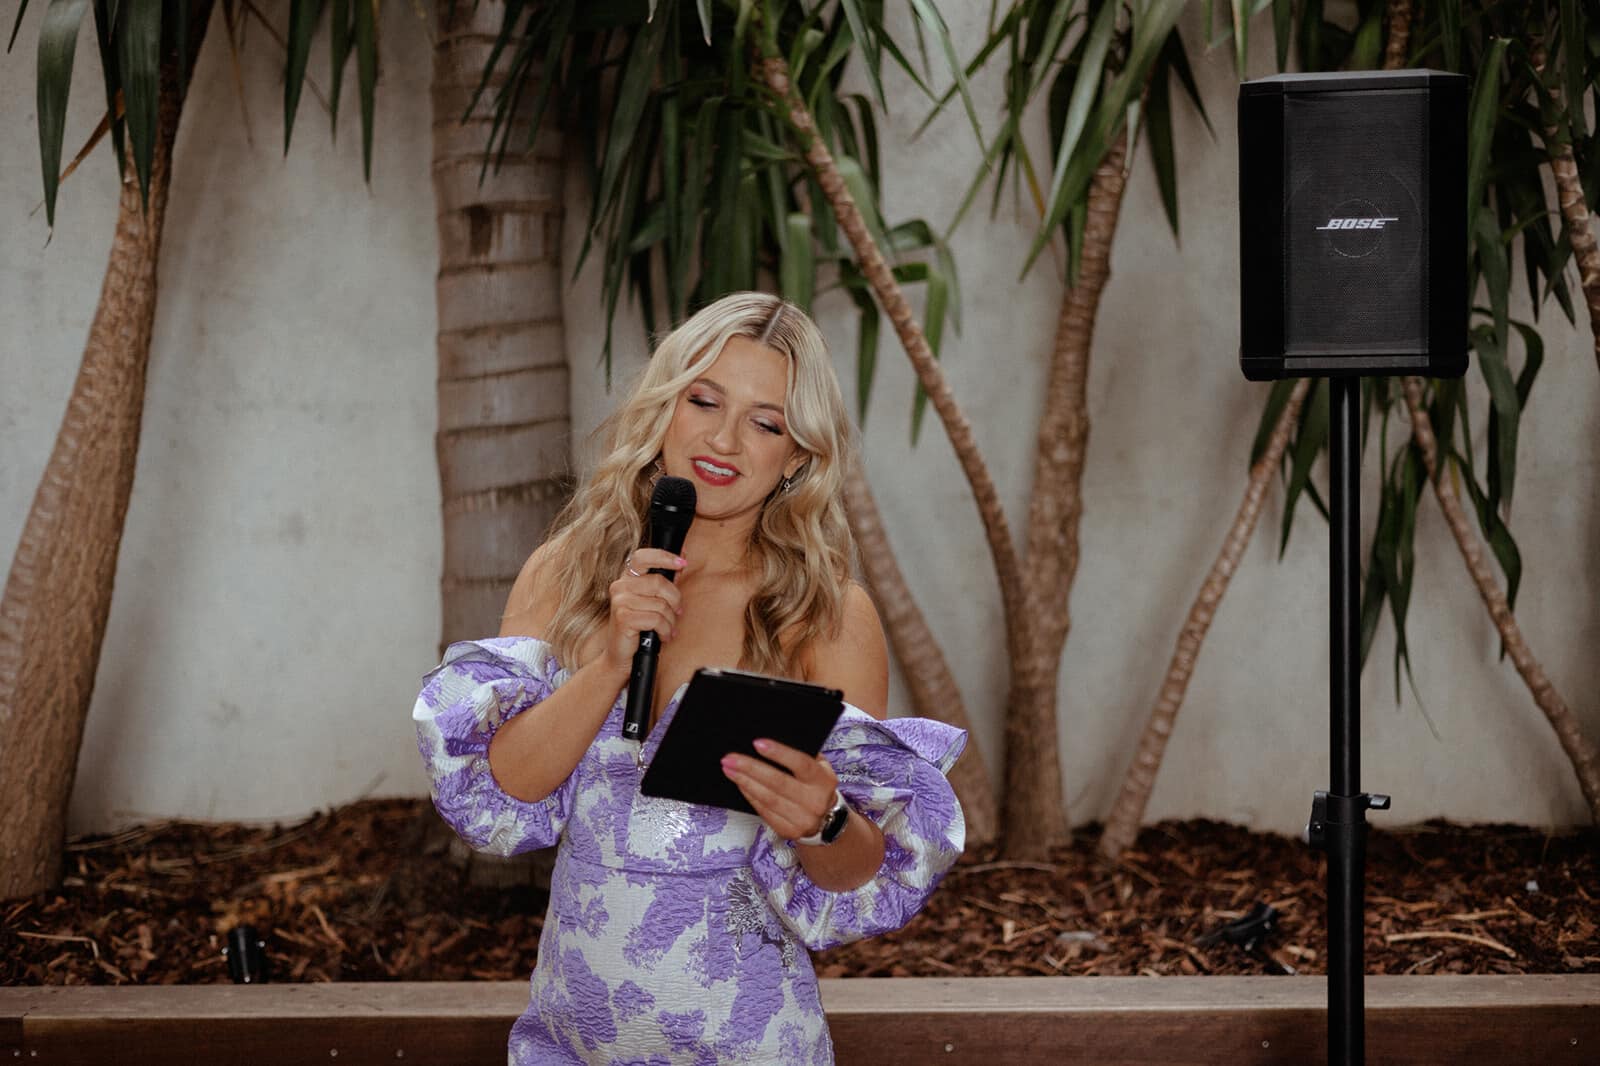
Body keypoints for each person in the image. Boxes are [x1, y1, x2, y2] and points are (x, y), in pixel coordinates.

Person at [413, 292, 966, 1064]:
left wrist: (823, 818)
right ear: (664, 408)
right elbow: (505, 790)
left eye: (765, 422)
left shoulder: (824, 614)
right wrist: (610, 660)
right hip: (572, 1039)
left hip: (749, 1042)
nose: (723, 438)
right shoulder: (565, 573)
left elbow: (853, 883)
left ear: (797, 457)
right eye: (703, 399)